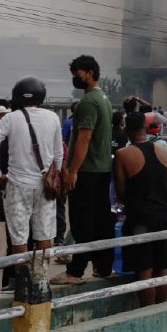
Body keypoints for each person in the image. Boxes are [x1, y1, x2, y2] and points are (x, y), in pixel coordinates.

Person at [53, 55, 115, 285]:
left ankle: (75, 272)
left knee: (81, 222)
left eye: (77, 74)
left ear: (89, 73)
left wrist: (73, 171)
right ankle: (103, 266)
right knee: (101, 220)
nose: (74, 78)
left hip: (87, 170)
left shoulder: (88, 102)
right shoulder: (104, 99)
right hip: (101, 169)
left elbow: (84, 138)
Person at [0, 77, 63, 267]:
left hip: (17, 186)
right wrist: (56, 176)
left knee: (19, 238)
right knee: (44, 235)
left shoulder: (9, 118)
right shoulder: (53, 117)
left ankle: (22, 283)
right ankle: (41, 281)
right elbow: (58, 153)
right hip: (45, 186)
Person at [114, 111, 167, 307]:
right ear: (145, 128)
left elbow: (121, 191)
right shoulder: (162, 150)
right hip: (166, 215)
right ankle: (162, 311)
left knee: (145, 272)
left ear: (127, 130)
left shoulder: (122, 154)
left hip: (141, 217)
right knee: (161, 270)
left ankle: (148, 313)